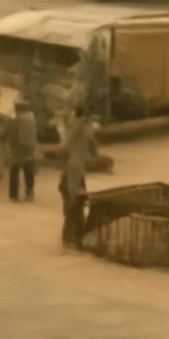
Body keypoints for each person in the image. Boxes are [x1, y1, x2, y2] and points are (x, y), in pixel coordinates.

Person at [60, 104, 98, 248]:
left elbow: (66, 145)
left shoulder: (75, 126)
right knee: (74, 202)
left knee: (73, 202)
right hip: (75, 169)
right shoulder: (84, 128)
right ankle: (72, 237)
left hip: (73, 169)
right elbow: (93, 145)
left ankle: (72, 237)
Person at [6, 100, 38, 202]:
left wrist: (10, 145)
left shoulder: (18, 119)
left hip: (19, 147)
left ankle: (13, 194)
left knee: (14, 170)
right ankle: (29, 192)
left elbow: (13, 134)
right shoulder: (32, 118)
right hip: (29, 146)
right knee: (28, 170)